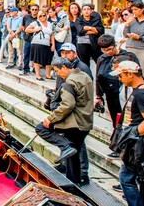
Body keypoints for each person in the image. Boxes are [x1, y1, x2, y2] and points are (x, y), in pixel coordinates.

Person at [35, 57, 94, 185]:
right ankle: (76, 180)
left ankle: (65, 146)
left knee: (41, 128)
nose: (58, 75)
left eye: (57, 71)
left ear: (64, 67)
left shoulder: (69, 83)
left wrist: (51, 118)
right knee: (74, 153)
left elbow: (68, 105)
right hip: (86, 120)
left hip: (75, 122)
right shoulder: (84, 76)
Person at [112, 61, 144, 206]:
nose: (120, 79)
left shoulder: (141, 94)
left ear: (130, 74)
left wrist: (131, 134)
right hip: (140, 142)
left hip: (139, 144)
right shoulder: (143, 90)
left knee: (126, 179)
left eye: (121, 76)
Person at [95, 35, 140, 158]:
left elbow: (137, 74)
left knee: (125, 120)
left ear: (115, 45)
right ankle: (118, 144)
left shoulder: (128, 56)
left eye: (109, 49)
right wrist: (98, 96)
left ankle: (120, 146)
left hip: (126, 92)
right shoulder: (101, 59)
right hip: (110, 93)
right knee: (116, 119)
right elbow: (98, 78)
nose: (107, 52)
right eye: (104, 50)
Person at [55, 43, 92, 182]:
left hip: (76, 112)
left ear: (75, 53)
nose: (65, 55)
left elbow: (84, 91)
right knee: (67, 141)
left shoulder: (82, 68)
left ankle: (83, 172)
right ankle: (66, 164)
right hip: (66, 107)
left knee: (78, 144)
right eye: (63, 53)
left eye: (68, 53)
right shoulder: (62, 66)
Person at [123, 0, 144, 86]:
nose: (134, 12)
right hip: (130, 48)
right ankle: (133, 95)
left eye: (136, 9)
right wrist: (127, 24)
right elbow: (125, 35)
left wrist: (140, 37)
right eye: (132, 10)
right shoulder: (132, 21)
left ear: (142, 9)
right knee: (131, 73)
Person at [26, 9, 55, 81]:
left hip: (47, 44)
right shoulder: (36, 23)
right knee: (37, 59)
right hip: (37, 43)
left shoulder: (49, 24)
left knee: (49, 60)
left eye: (44, 15)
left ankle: (48, 75)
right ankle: (38, 75)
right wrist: (35, 30)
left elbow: (52, 35)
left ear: (46, 15)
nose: (42, 17)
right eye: (40, 16)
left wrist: (53, 45)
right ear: (38, 17)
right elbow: (27, 30)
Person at [75, 3, 104, 68]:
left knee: (100, 62)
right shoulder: (79, 20)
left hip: (94, 43)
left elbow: (100, 30)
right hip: (82, 44)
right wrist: (94, 30)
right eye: (84, 9)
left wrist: (88, 28)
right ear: (82, 11)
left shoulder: (96, 19)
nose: (86, 11)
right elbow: (80, 32)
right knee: (84, 63)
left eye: (88, 9)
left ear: (91, 11)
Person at [20, 4, 40, 75]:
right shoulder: (26, 17)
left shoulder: (40, 17)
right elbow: (22, 26)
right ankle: (25, 68)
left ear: (38, 10)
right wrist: (25, 30)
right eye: (33, 9)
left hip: (37, 39)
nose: (34, 11)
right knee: (26, 54)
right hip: (28, 38)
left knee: (36, 55)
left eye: (36, 9)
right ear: (30, 10)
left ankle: (35, 69)